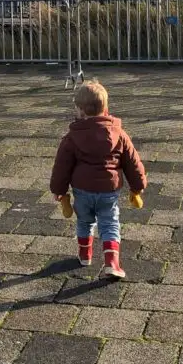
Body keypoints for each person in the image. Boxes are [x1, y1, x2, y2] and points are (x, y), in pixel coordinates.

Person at [50, 80, 146, 279]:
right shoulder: (119, 134)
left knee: (84, 221)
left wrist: (59, 190)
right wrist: (137, 186)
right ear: (106, 108)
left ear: (80, 112)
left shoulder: (71, 137)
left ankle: (85, 255)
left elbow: (62, 166)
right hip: (108, 191)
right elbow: (133, 162)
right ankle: (112, 262)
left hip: (82, 191)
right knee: (109, 223)